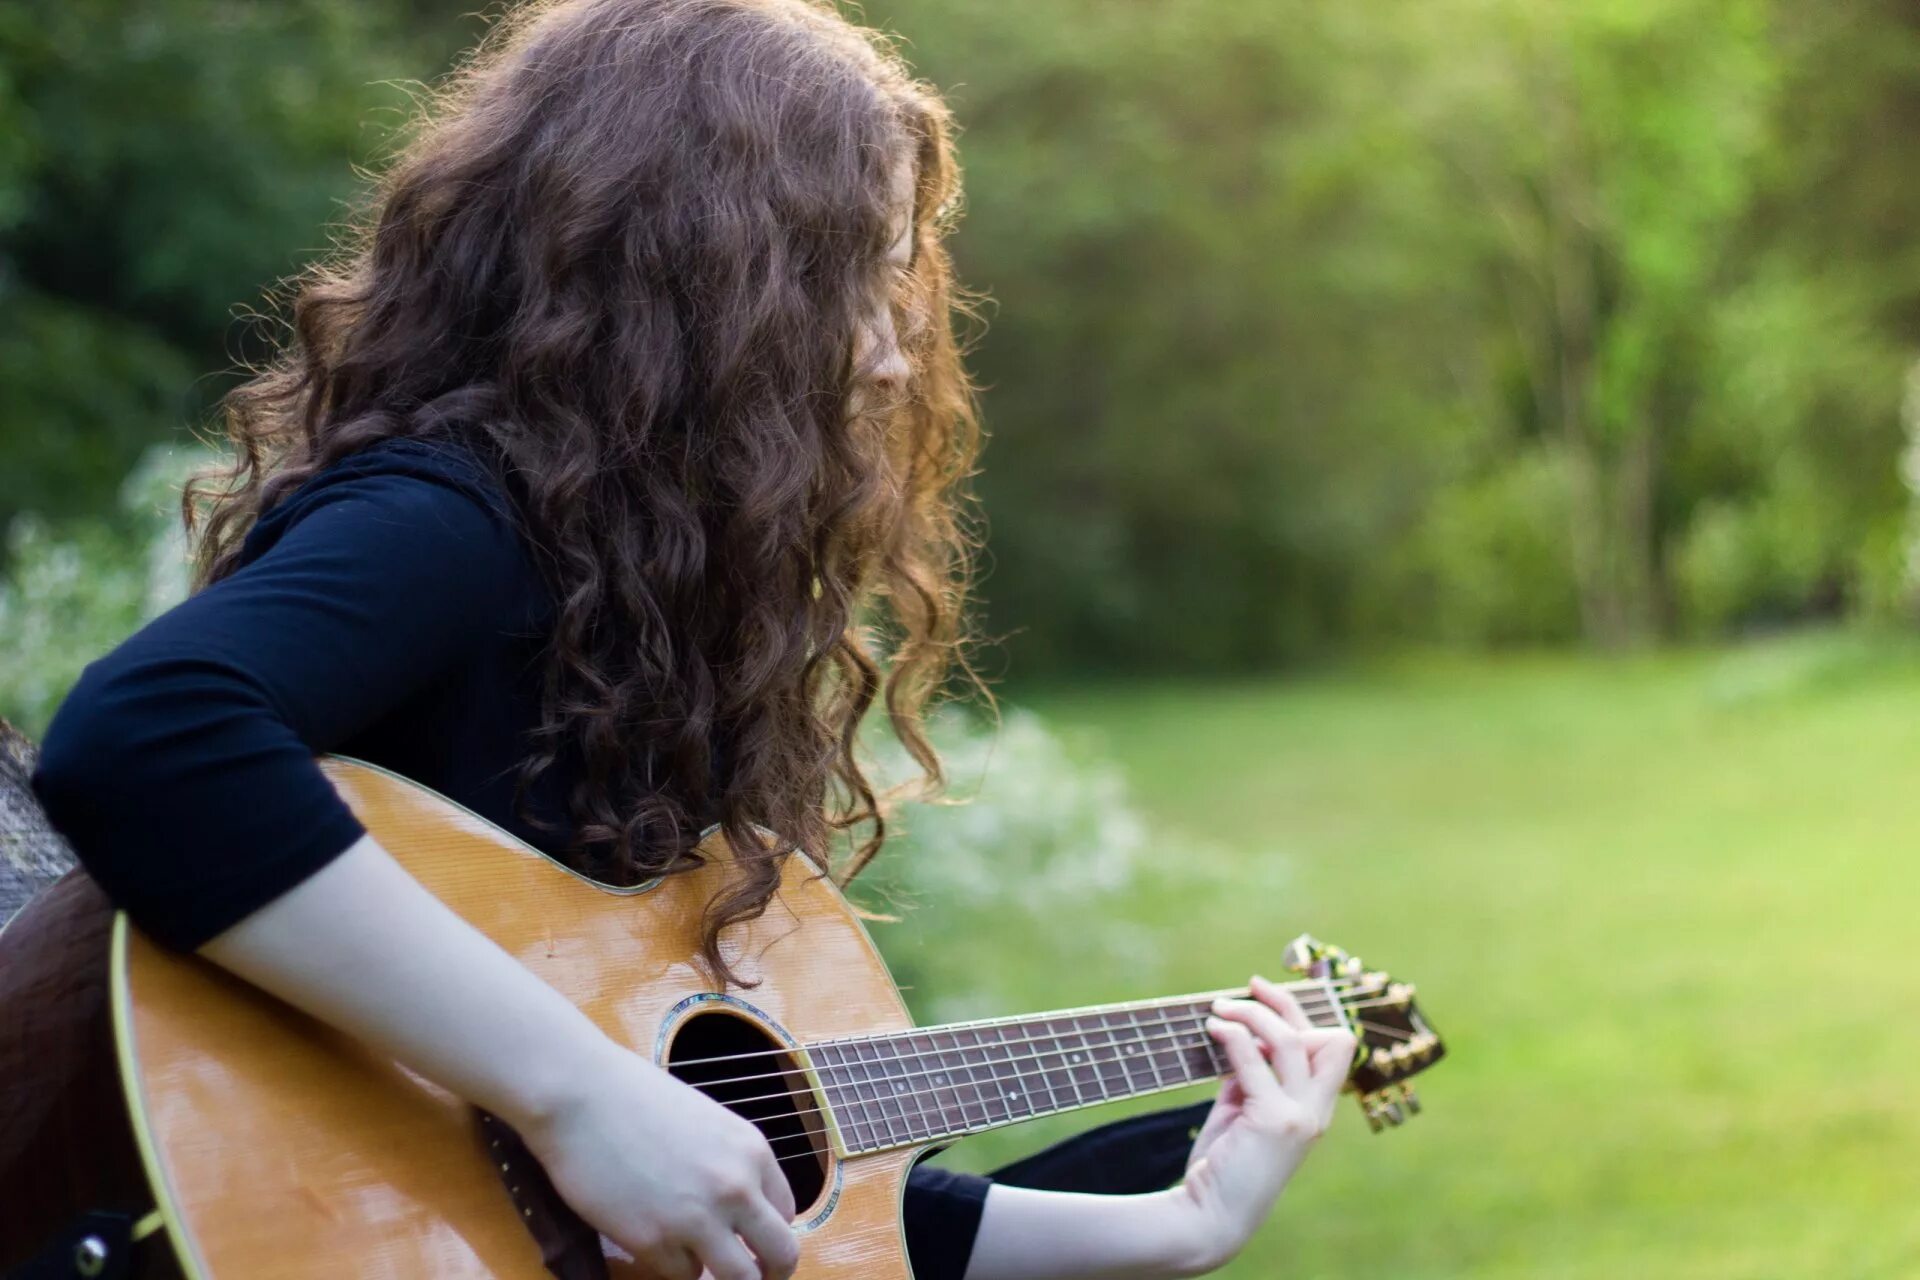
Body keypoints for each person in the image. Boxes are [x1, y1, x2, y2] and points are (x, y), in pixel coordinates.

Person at [30, 2, 1356, 1277]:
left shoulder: (635, 608)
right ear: (715, 283)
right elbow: (150, 733)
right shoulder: (455, 520)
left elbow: (795, 1216)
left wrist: (1180, 1226)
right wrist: (576, 1093)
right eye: (859, 275)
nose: (897, 354)